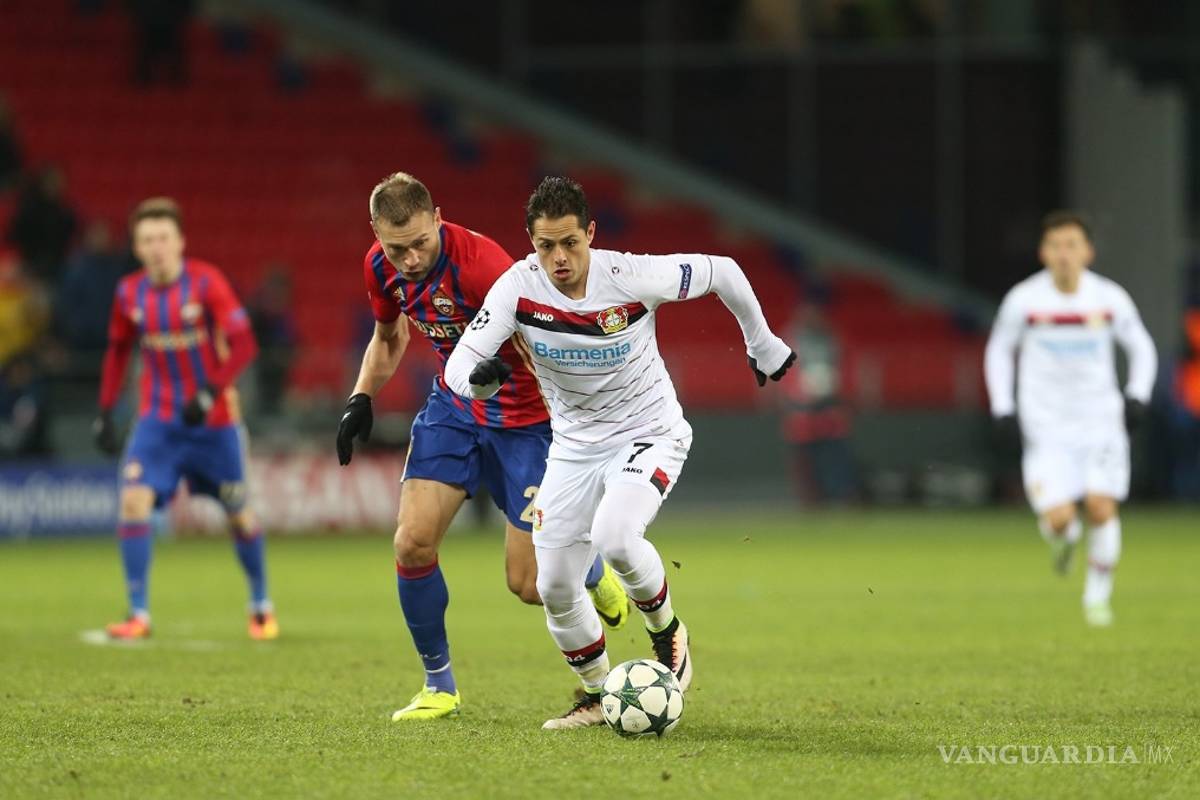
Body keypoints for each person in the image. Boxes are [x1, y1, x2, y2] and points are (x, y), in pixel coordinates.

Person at [443, 176, 796, 728]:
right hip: (573, 448)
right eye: (545, 246)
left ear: (591, 233)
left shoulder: (631, 274)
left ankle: (669, 633)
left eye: (569, 243)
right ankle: (595, 694)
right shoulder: (517, 288)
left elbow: (723, 271)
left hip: (648, 432)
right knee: (553, 584)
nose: (559, 258)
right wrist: (482, 382)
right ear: (530, 242)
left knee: (614, 536)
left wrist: (763, 344)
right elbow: (459, 366)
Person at [334, 172, 629, 722]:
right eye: (397, 247)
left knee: (527, 584)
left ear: (438, 219)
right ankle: (438, 686)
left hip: (529, 424)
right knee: (411, 543)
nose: (411, 258)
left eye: (421, 242)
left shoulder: (484, 266)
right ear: (376, 233)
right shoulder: (380, 266)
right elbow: (389, 335)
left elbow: (551, 339)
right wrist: (361, 398)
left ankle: (591, 571)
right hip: (455, 409)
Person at [93, 197, 275, 640]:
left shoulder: (206, 283)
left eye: (163, 238)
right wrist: (105, 410)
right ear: (136, 247)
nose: (156, 247)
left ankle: (260, 604)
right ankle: (138, 613)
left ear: (179, 242)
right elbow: (118, 351)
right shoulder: (128, 293)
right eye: (147, 239)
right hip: (157, 422)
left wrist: (212, 389)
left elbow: (245, 343)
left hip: (214, 425)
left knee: (239, 515)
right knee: (133, 500)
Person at [984, 210, 1157, 627]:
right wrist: (1002, 407)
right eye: (1056, 245)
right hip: (1046, 427)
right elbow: (998, 351)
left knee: (1100, 506)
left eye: (1072, 245)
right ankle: (1064, 540)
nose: (1065, 254)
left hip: (1100, 421)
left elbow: (1141, 347)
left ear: (1088, 251)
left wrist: (1137, 395)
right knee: (1061, 518)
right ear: (1044, 252)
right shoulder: (1024, 300)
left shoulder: (1109, 298)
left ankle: (1097, 600)